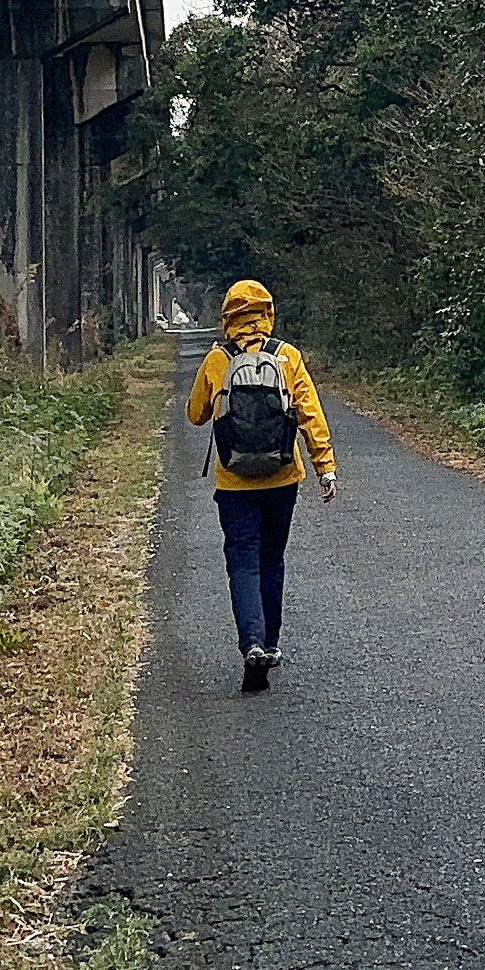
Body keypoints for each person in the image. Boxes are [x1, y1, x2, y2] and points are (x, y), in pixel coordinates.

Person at [187, 278, 337, 690]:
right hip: (282, 478)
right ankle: (270, 645)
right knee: (272, 558)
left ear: (228, 317)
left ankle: (251, 641)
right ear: (267, 313)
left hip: (234, 482)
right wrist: (325, 467)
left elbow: (195, 415)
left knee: (243, 562)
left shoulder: (218, 359)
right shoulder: (287, 357)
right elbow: (310, 415)